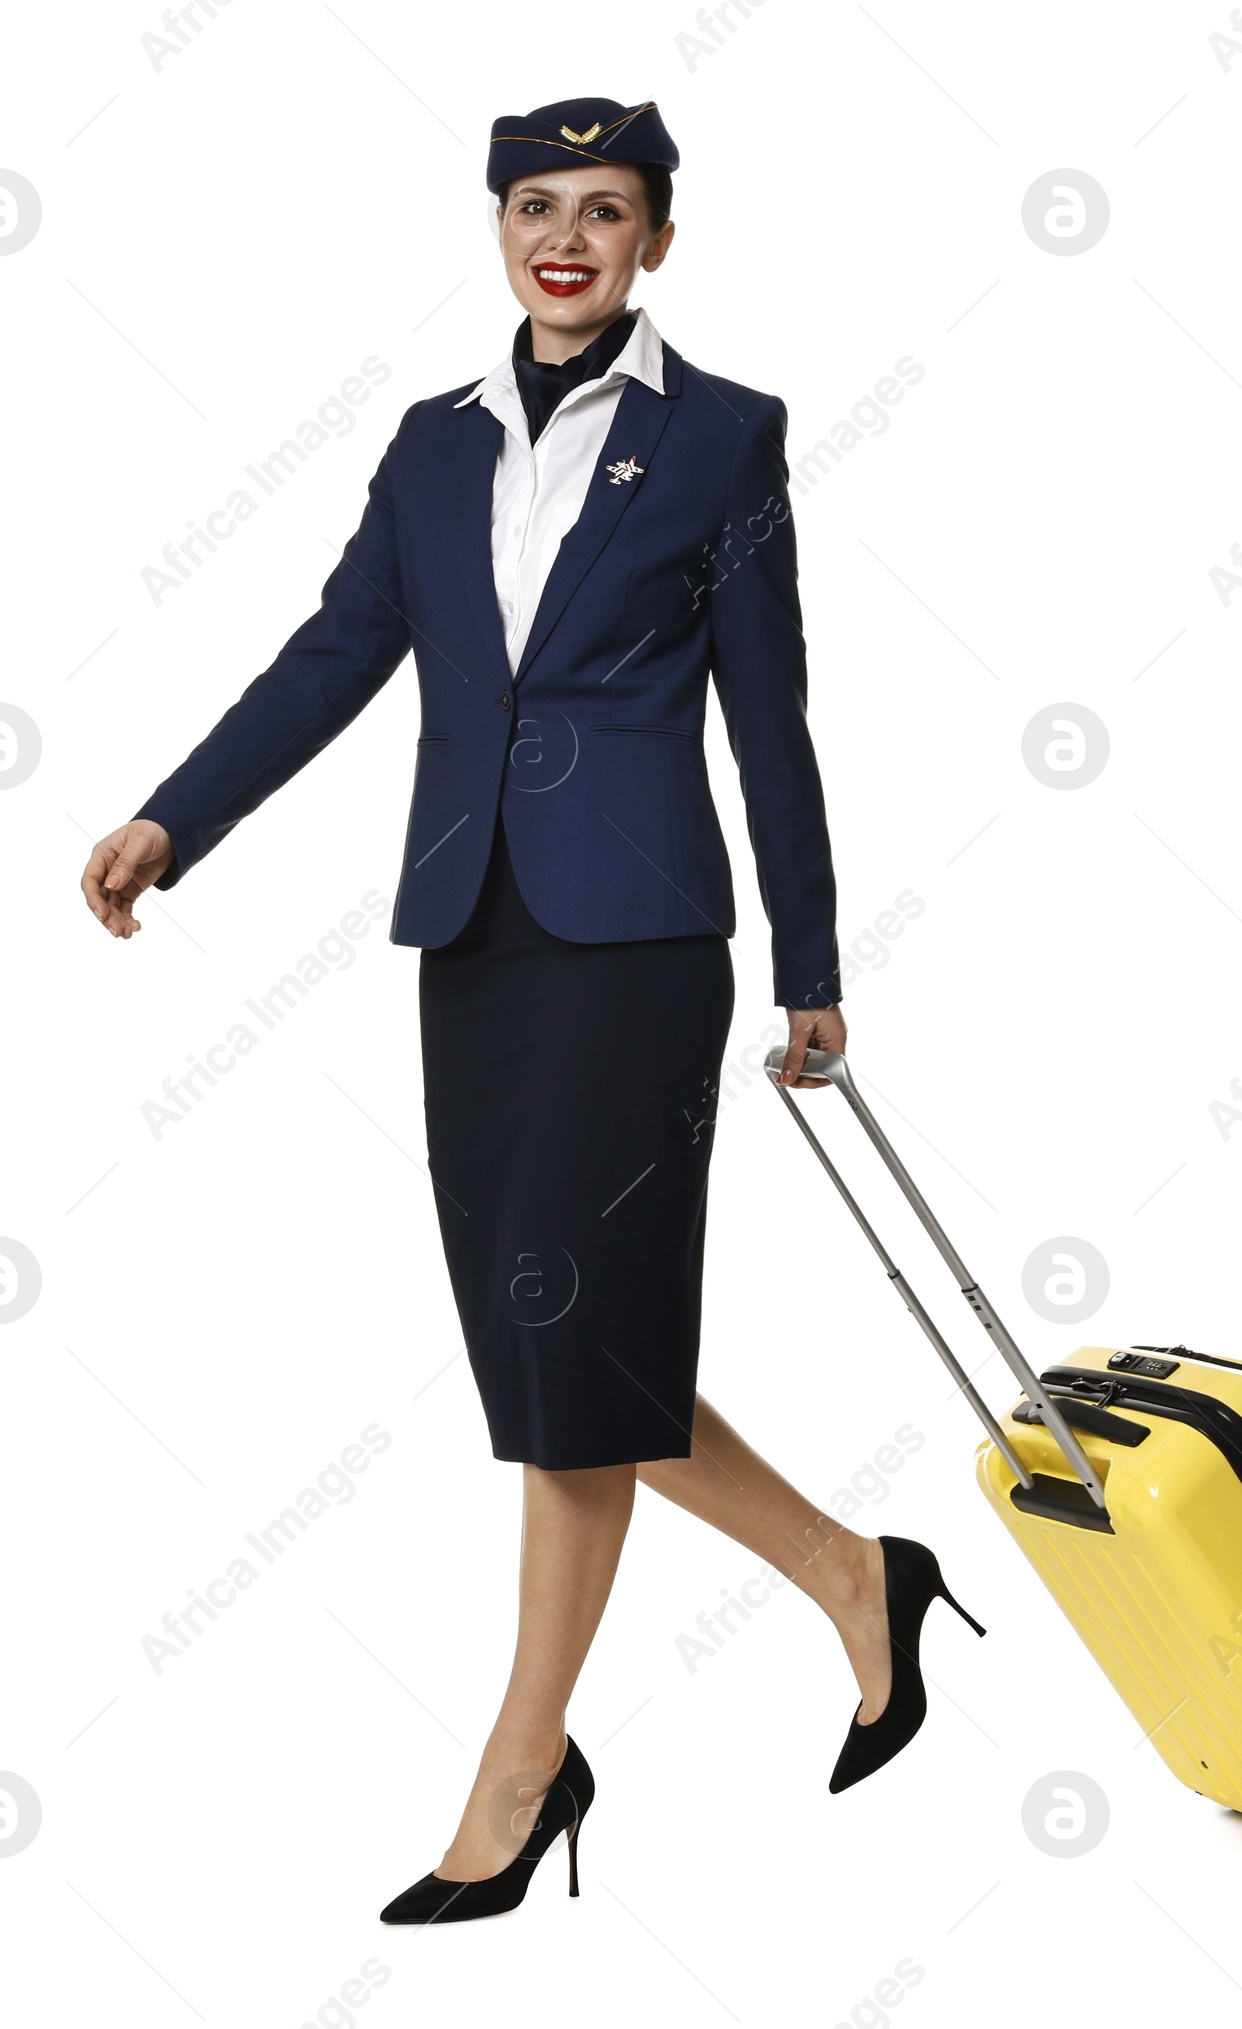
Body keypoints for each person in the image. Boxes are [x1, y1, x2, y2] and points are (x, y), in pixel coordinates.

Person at [79, 95, 983, 1926]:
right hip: (473, 942)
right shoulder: (430, 447)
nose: (566, 236)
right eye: (537, 206)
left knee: (577, 1364)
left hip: (639, 947)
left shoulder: (723, 441)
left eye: (610, 209)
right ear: (499, 225)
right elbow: (340, 650)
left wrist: (812, 961)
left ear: (661, 240)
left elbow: (770, 719)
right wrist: (177, 816)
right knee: (559, 1355)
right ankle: (848, 1574)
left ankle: (522, 1759)